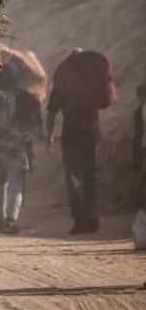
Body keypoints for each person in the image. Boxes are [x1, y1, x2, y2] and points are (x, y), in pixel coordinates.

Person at [46, 49, 117, 234]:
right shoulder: (93, 80)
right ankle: (92, 218)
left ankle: (80, 221)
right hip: (92, 128)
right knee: (89, 176)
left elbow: (51, 111)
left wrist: (49, 135)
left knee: (74, 178)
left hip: (72, 131)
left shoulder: (64, 81)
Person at [0, 50, 46, 234]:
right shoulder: (27, 98)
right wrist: (35, 142)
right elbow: (35, 126)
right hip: (17, 147)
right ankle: (10, 221)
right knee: (15, 184)